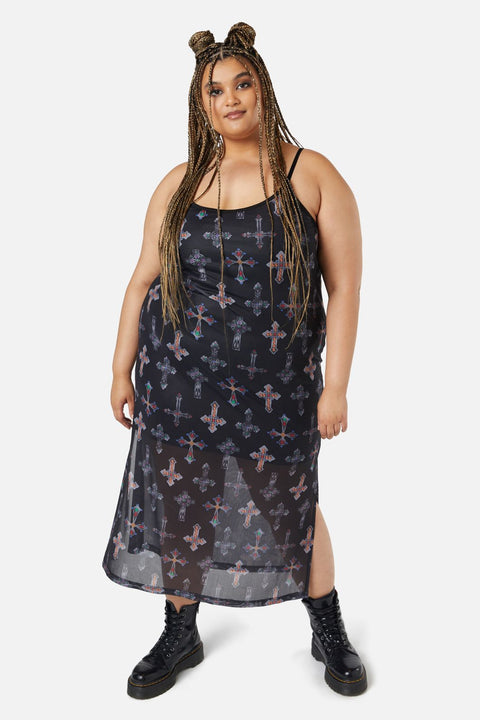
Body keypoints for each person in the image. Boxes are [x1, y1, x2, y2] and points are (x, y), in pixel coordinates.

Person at [102, 21, 366, 699]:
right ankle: (180, 630)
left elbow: (344, 288)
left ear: (263, 87)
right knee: (184, 506)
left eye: (242, 83)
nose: (230, 99)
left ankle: (327, 626)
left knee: (292, 506)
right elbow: (141, 281)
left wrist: (335, 386)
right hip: (179, 381)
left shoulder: (312, 174)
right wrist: (120, 368)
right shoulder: (181, 181)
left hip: (277, 387)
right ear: (201, 104)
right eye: (215, 90)